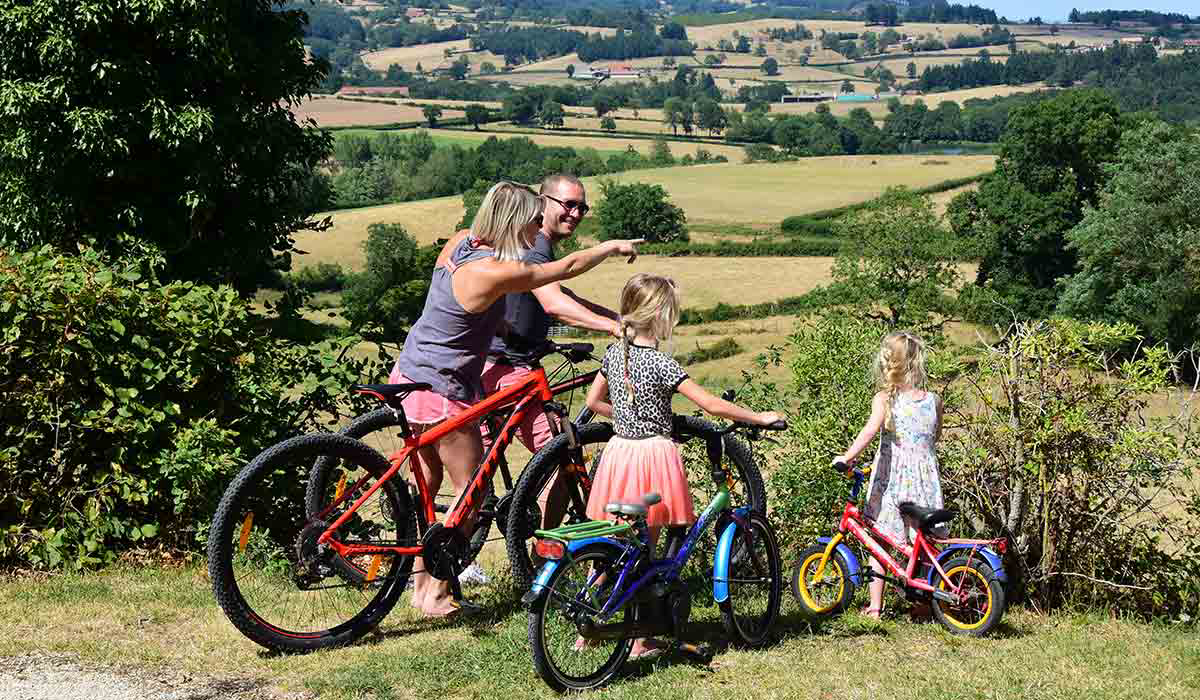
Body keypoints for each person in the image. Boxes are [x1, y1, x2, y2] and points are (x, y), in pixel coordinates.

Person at [388, 181, 641, 618]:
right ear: (514, 222)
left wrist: (498, 327)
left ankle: (420, 587)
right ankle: (436, 595)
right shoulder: (496, 272)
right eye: (531, 221)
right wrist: (612, 247)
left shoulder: (459, 244)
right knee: (472, 494)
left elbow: (462, 308)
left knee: (428, 492)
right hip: (443, 388)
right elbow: (567, 269)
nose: (536, 229)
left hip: (409, 373)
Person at [583, 273, 782, 657]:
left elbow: (593, 403)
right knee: (647, 549)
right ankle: (640, 640)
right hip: (653, 457)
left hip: (620, 452)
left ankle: (588, 627)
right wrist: (758, 417)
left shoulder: (614, 354)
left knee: (614, 545)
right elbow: (712, 405)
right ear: (659, 315)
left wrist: (629, 417)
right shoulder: (661, 363)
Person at [468, 174, 619, 586]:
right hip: (509, 371)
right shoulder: (536, 245)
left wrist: (611, 316)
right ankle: (542, 562)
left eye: (581, 207)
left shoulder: (535, 245)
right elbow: (557, 304)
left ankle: (439, 576)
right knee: (561, 460)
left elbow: (558, 297)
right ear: (542, 200)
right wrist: (613, 328)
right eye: (566, 204)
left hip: (486, 369)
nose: (574, 213)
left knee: (475, 480)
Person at [834, 331, 944, 621]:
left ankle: (875, 608)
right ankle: (922, 607)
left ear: (888, 363)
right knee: (924, 543)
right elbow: (935, 437)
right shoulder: (934, 400)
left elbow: (869, 431)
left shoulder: (884, 399)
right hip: (926, 480)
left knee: (879, 541)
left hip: (892, 480)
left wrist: (847, 457)